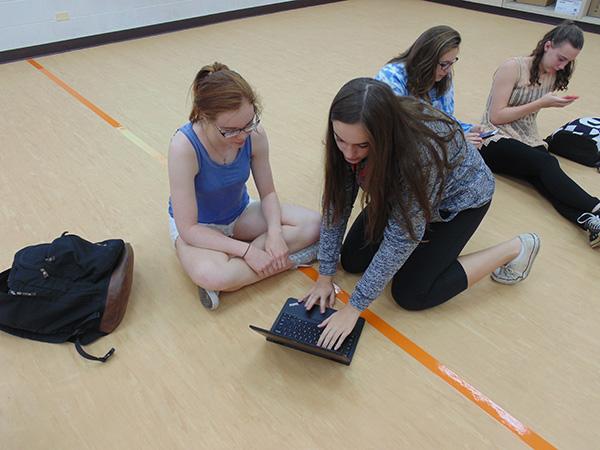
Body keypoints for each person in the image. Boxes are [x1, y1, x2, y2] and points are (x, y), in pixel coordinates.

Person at [301, 78, 541, 351]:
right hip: (402, 196)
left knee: (411, 293)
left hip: (460, 203)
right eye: (340, 140)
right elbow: (337, 204)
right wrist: (324, 276)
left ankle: (516, 248)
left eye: (362, 146)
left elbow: (402, 237)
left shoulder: (419, 154)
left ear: (384, 136)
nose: (348, 153)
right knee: (353, 260)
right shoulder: (350, 139)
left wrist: (354, 307)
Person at [168, 62, 320, 310]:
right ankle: (289, 260)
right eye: (230, 131)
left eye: (248, 124)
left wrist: (274, 233)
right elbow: (188, 228)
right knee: (212, 275)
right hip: (201, 227)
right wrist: (248, 252)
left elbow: (268, 192)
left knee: (314, 225)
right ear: (205, 118)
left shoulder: (254, 134)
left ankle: (242, 272)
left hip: (239, 214)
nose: (242, 136)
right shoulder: (183, 147)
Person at [479, 20, 600, 248]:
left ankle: (591, 223)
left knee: (542, 177)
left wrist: (544, 103)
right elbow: (496, 117)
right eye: (561, 58)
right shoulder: (512, 67)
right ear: (548, 46)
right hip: (492, 139)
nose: (563, 66)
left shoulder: (554, 73)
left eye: (569, 62)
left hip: (525, 138)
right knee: (546, 165)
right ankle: (596, 206)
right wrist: (541, 103)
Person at [375, 25, 484, 147]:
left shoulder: (442, 77)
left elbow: (445, 120)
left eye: (451, 63)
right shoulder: (392, 76)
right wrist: (454, 140)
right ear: (426, 59)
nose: (447, 70)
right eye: (444, 64)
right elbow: (398, 129)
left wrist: (466, 129)